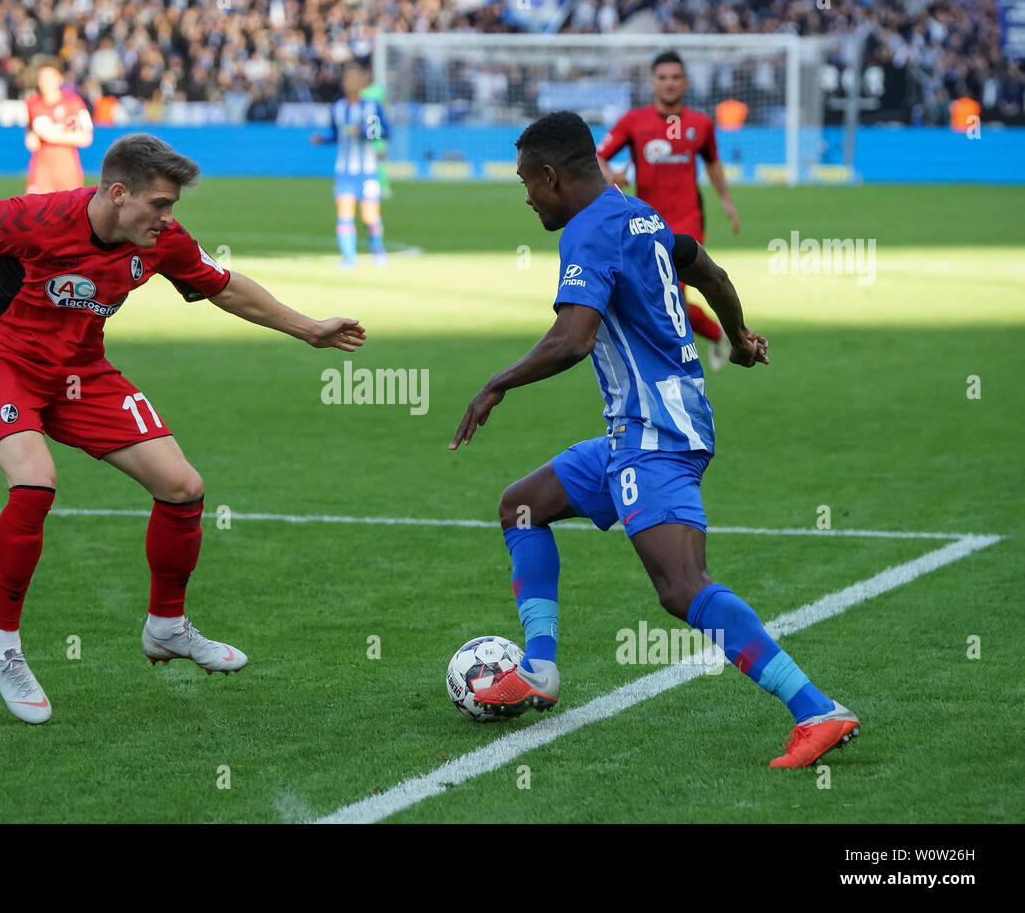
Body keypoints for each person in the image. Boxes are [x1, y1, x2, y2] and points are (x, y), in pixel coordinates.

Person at [450, 112, 858, 768]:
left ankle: (816, 710)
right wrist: (739, 338)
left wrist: (496, 383)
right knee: (522, 505)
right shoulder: (636, 215)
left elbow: (573, 339)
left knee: (681, 585)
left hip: (657, 431)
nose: (526, 196)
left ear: (553, 176)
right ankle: (541, 669)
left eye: (528, 182)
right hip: (639, 427)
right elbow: (708, 271)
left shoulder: (587, 232)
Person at [0, 134, 366, 724]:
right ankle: (3, 646)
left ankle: (166, 626)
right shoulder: (40, 217)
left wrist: (309, 328)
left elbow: (225, 286)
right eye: (159, 204)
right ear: (117, 193)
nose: (168, 218)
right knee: (35, 481)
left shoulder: (161, 241)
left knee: (182, 485)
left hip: (81, 372)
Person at [596, 51, 739, 370]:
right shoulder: (634, 121)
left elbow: (713, 162)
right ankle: (718, 335)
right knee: (657, 297)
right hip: (645, 222)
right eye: (663, 78)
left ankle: (673, 364)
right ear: (653, 83)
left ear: (685, 83)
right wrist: (612, 177)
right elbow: (598, 156)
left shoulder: (700, 124)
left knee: (670, 294)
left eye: (675, 77)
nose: (670, 83)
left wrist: (726, 200)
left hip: (688, 220)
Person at [311, 64, 389, 270]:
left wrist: (362, 132)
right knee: (344, 213)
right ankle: (348, 257)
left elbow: (383, 132)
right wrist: (323, 139)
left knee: (369, 215)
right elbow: (337, 135)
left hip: (368, 170)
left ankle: (377, 249)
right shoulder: (337, 108)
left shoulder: (371, 106)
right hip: (345, 171)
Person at [24, 59, 93, 194]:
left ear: (59, 79)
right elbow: (30, 140)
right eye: (42, 78)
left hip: (67, 168)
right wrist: (33, 137)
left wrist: (52, 135)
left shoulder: (73, 103)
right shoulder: (32, 103)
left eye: (49, 77)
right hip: (41, 168)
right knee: (35, 211)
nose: (45, 81)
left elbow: (85, 138)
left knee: (68, 212)